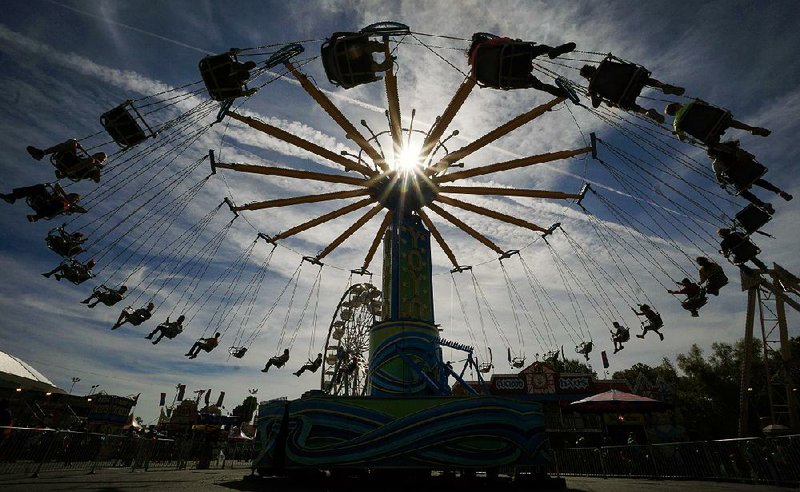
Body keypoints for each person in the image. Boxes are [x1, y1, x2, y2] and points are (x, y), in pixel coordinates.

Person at [468, 32, 575, 96]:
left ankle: (555, 91)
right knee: (539, 49)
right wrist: (515, 41)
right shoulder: (482, 47)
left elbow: (493, 85)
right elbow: (504, 41)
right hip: (514, 56)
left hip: (511, 77)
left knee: (536, 84)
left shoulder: (475, 73)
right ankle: (551, 51)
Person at [580, 61, 684, 123]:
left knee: (631, 106)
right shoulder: (605, 64)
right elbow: (624, 66)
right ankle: (663, 86)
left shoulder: (592, 87)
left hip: (624, 97)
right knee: (644, 79)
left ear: (587, 77)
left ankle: (647, 112)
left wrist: (593, 94)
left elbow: (595, 105)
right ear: (591, 67)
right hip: (634, 79)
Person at [707, 141, 791, 212]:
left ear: (713, 155)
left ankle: (762, 205)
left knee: (742, 192)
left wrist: (723, 181)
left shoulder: (716, 163)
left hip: (740, 179)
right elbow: (750, 156)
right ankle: (779, 191)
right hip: (752, 172)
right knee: (756, 180)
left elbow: (719, 178)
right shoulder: (734, 150)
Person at [665, 101, 770, 142]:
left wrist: (679, 134)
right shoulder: (690, 105)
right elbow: (706, 106)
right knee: (730, 122)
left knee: (712, 146)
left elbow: (682, 138)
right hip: (717, 119)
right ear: (676, 105)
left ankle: (728, 151)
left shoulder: (676, 124)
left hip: (707, 132)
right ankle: (752, 129)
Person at [27, 139, 107, 183]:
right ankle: (42, 153)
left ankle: (65, 173)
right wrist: (76, 145)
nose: (99, 158)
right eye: (98, 155)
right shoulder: (88, 159)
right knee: (72, 142)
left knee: (91, 161)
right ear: (95, 154)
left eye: (101, 159)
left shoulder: (96, 168)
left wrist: (97, 167)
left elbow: (97, 180)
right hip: (67, 162)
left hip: (74, 173)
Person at [0, 183, 86, 222]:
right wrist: (63, 193)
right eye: (73, 197)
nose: (73, 200)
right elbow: (57, 186)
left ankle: (37, 217)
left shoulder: (70, 207)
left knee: (64, 205)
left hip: (50, 210)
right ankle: (12, 197)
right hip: (45, 201)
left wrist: (72, 205)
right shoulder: (60, 196)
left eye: (75, 200)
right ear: (70, 195)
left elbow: (83, 210)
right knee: (40, 187)